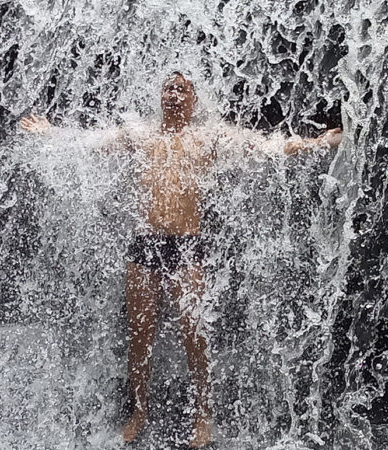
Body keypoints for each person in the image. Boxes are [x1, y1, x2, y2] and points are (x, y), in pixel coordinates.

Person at [21, 72, 342, 448]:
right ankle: (139, 411)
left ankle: (202, 413)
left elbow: (265, 146)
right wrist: (50, 133)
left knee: (195, 336)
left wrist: (314, 143)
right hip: (144, 246)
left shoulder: (208, 138)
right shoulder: (140, 135)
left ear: (193, 99)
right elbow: (90, 142)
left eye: (182, 90)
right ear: (160, 96)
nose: (173, 95)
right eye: (168, 89)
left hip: (187, 248)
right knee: (140, 337)